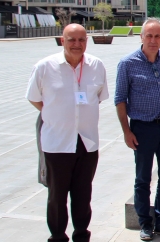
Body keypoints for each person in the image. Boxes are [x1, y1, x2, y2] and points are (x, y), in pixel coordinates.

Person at [26, 24, 108, 242]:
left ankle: (81, 235)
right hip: (57, 143)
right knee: (57, 196)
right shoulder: (44, 67)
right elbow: (34, 98)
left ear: (87, 42)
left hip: (87, 142)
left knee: (83, 194)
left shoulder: (96, 66)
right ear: (62, 41)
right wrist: (55, 114)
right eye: (72, 39)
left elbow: (98, 97)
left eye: (81, 40)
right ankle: (57, 237)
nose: (77, 44)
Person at [115, 18, 160, 240]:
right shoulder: (127, 63)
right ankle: (144, 222)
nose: (153, 40)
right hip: (142, 129)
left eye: (157, 36)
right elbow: (120, 99)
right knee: (143, 178)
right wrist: (126, 131)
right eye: (149, 36)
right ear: (141, 37)